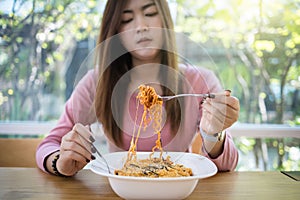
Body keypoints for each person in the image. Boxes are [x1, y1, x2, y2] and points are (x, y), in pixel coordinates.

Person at [36, 0, 240, 177]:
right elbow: (50, 144)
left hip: (177, 188)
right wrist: (60, 162)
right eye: (126, 19)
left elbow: (227, 166)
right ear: (115, 30)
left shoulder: (199, 81)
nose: (141, 26)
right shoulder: (97, 82)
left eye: (150, 13)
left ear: (165, 20)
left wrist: (214, 134)